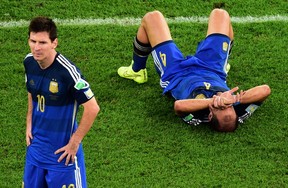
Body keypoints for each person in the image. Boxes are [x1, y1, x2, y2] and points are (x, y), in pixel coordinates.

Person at [117, 9, 271, 132]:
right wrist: (235, 100)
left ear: (210, 115)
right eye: (229, 107)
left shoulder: (198, 116)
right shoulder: (235, 113)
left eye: (221, 107)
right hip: (212, 69)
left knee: (152, 18)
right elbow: (265, 90)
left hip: (176, 72)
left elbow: (179, 107)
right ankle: (224, 64)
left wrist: (212, 101)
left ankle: (136, 70)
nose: (225, 104)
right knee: (220, 15)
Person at [23, 16, 100, 187]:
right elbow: (31, 91)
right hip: (35, 152)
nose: (36, 48)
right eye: (33, 41)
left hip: (62, 159)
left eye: (42, 42)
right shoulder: (29, 62)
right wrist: (29, 120)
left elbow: (92, 108)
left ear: (54, 43)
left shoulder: (68, 73)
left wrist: (74, 143)